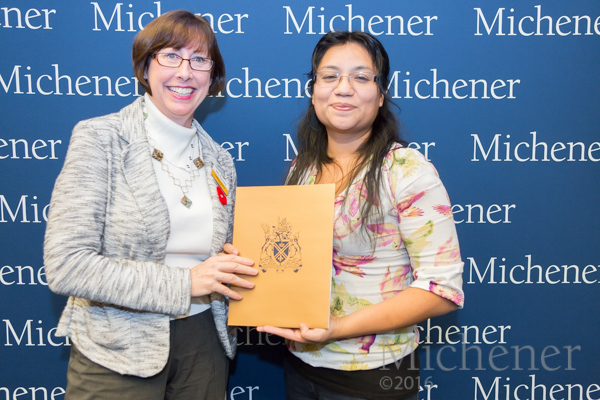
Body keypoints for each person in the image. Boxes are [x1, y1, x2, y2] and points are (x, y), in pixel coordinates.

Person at [43, 10, 257, 400]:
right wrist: (186, 283)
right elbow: (66, 265)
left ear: (212, 76)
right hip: (118, 347)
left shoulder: (220, 160)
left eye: (199, 59)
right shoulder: (100, 138)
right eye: (171, 56)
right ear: (145, 66)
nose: (185, 71)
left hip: (204, 345)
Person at [258, 31, 465, 400]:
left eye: (361, 77)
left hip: (374, 376)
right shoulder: (301, 170)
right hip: (300, 365)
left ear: (381, 95)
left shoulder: (406, 170)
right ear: (313, 90)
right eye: (330, 75)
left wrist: (336, 327)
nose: (343, 88)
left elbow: (442, 290)